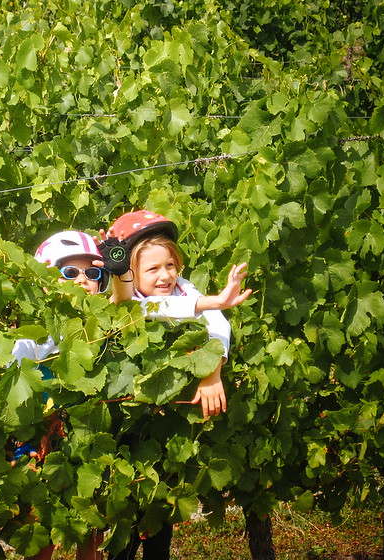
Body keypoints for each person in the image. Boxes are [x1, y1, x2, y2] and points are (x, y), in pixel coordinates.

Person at [97, 210, 251, 560]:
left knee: (159, 525)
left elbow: (218, 324)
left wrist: (212, 370)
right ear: (129, 273)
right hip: (129, 425)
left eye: (170, 265)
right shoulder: (123, 300)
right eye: (152, 269)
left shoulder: (183, 288)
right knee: (123, 530)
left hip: (169, 428)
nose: (165, 275)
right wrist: (214, 301)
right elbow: (152, 308)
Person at [10, 230, 108, 560]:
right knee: (40, 530)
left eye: (92, 273)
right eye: (69, 272)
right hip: (38, 439)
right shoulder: (32, 338)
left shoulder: (106, 330)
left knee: (90, 532)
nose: (83, 280)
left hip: (86, 439)